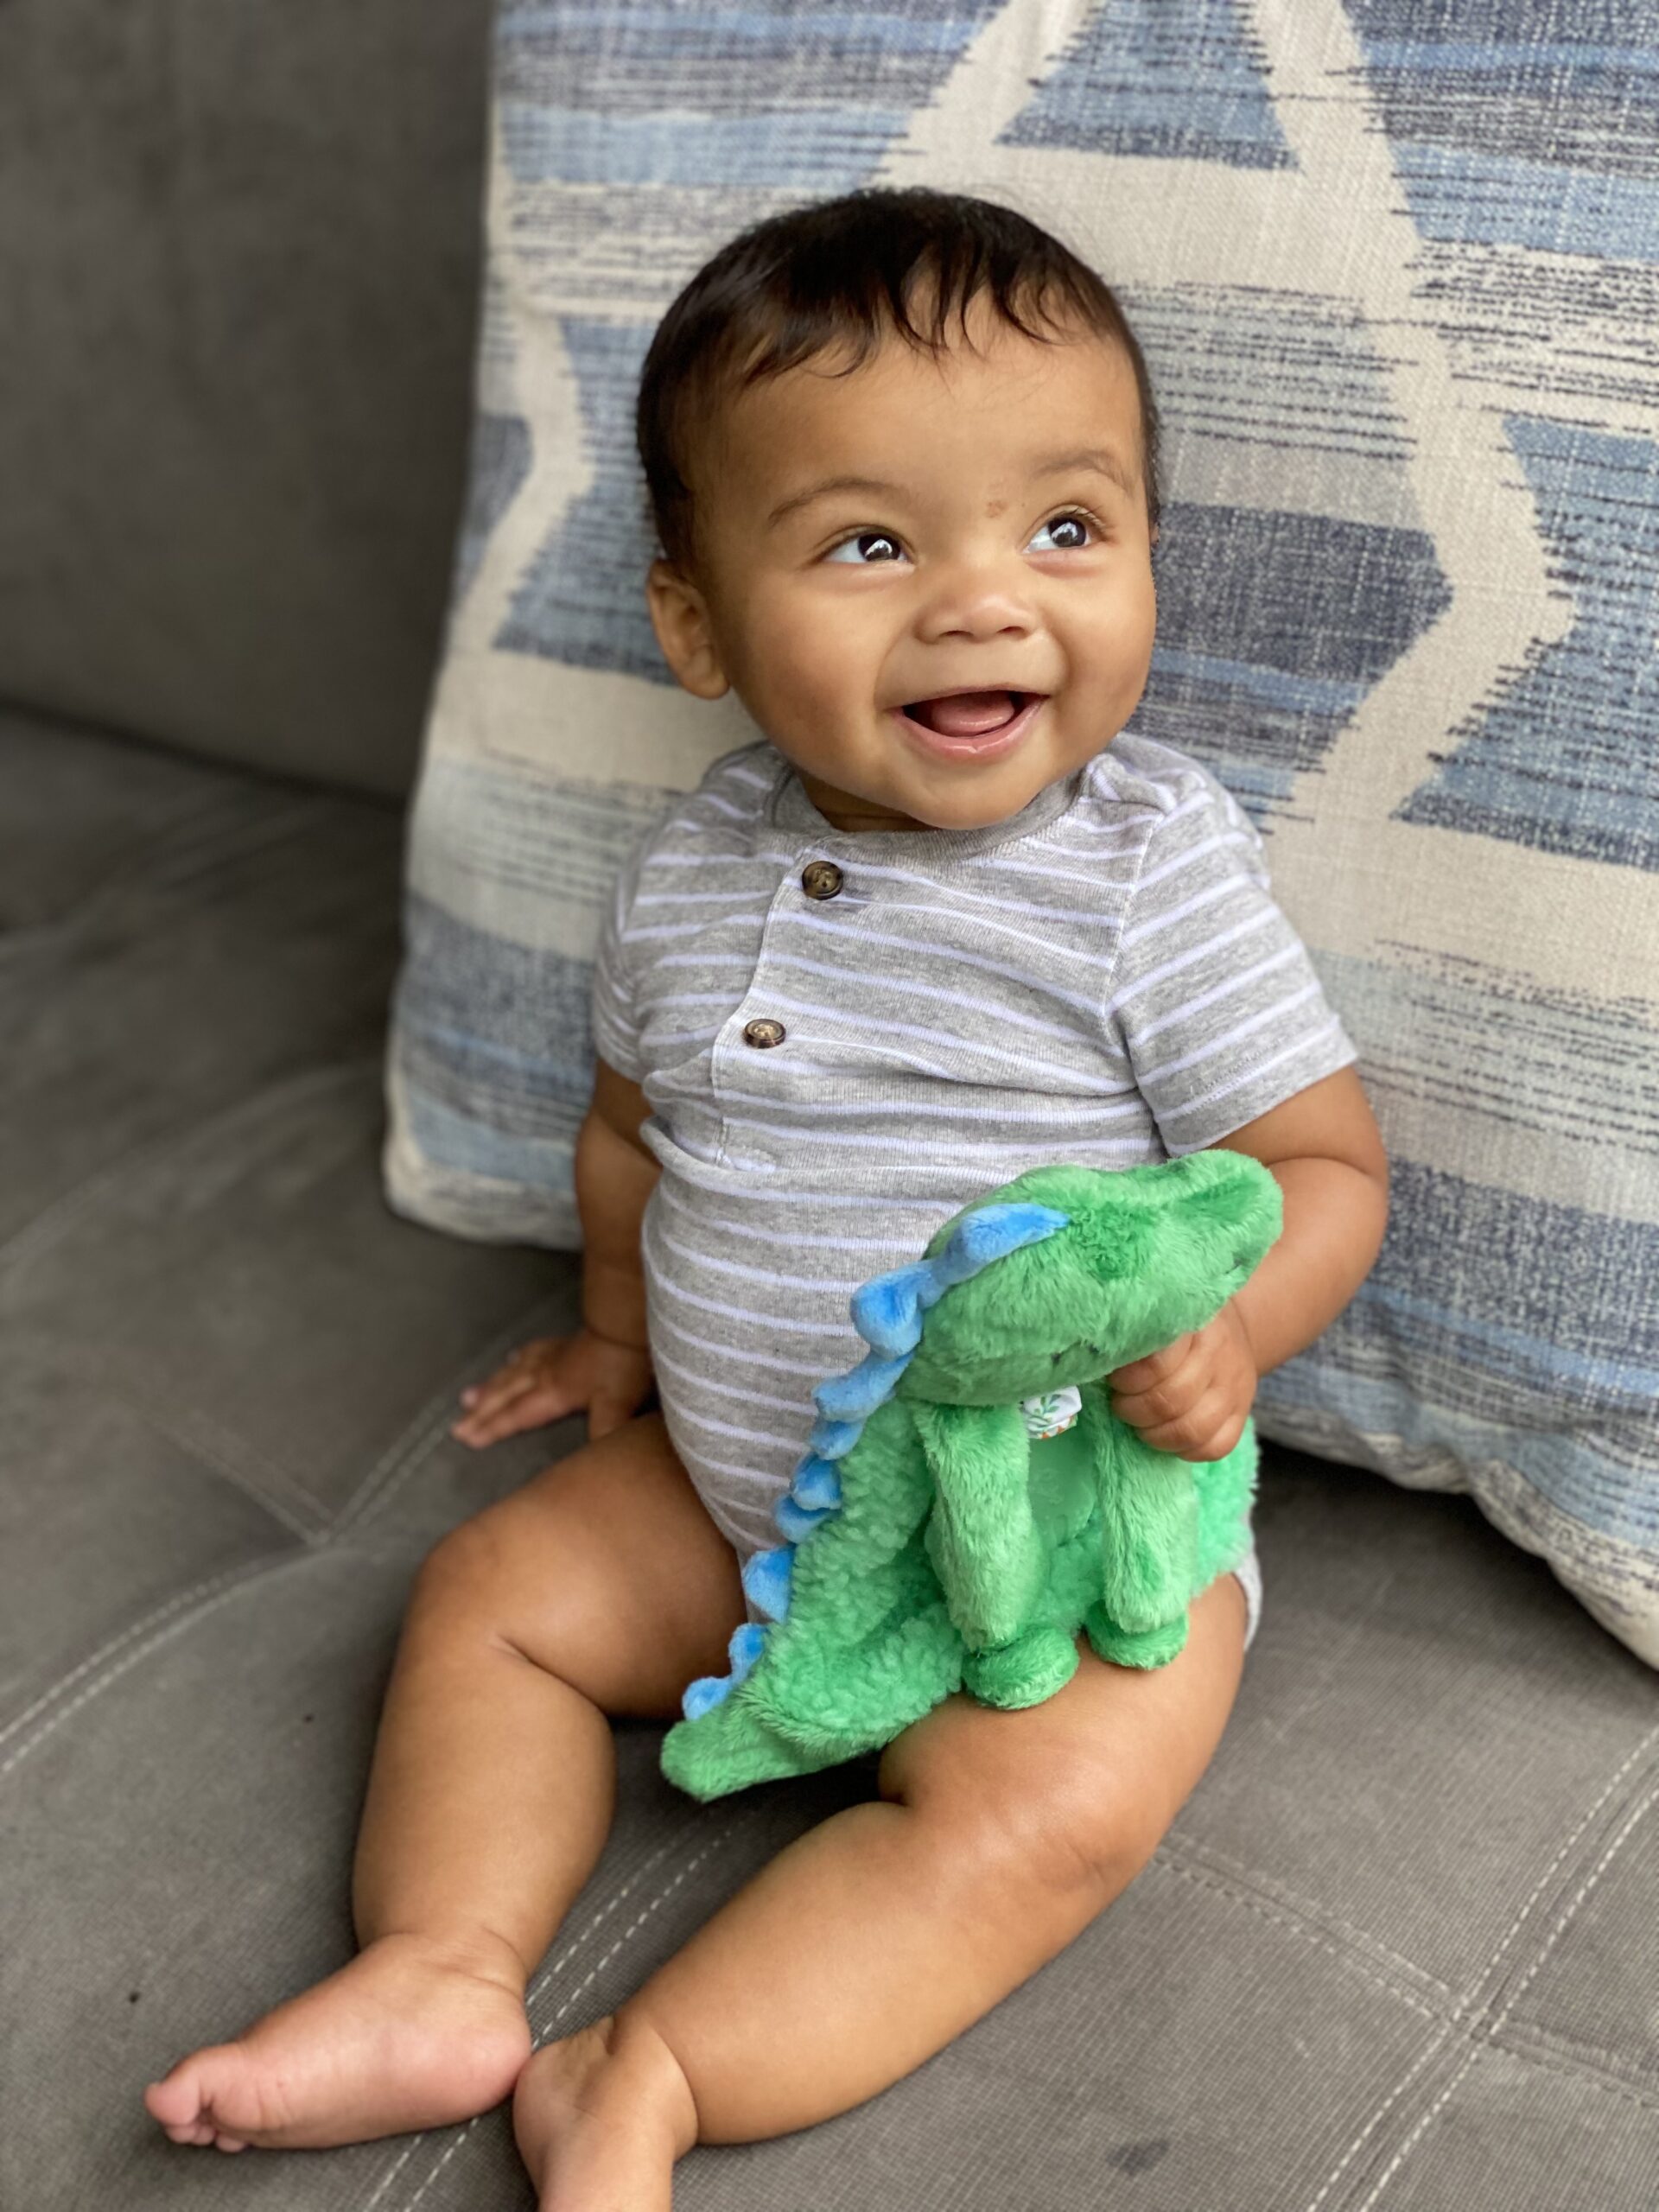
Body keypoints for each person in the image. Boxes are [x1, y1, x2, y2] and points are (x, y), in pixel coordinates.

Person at [145, 186, 1389, 2209]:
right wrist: (615, 1337)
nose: (986, 599)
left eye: (1064, 526)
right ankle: (439, 1969)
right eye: (873, 541)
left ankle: (644, 2072)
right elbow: (632, 1134)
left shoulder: (1147, 863)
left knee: (1059, 1809)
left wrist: (1233, 1328)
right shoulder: (689, 867)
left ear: (1149, 549)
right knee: (488, 1602)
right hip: (747, 1495)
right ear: (700, 623)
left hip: (1051, 1547)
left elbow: (1319, 1163)